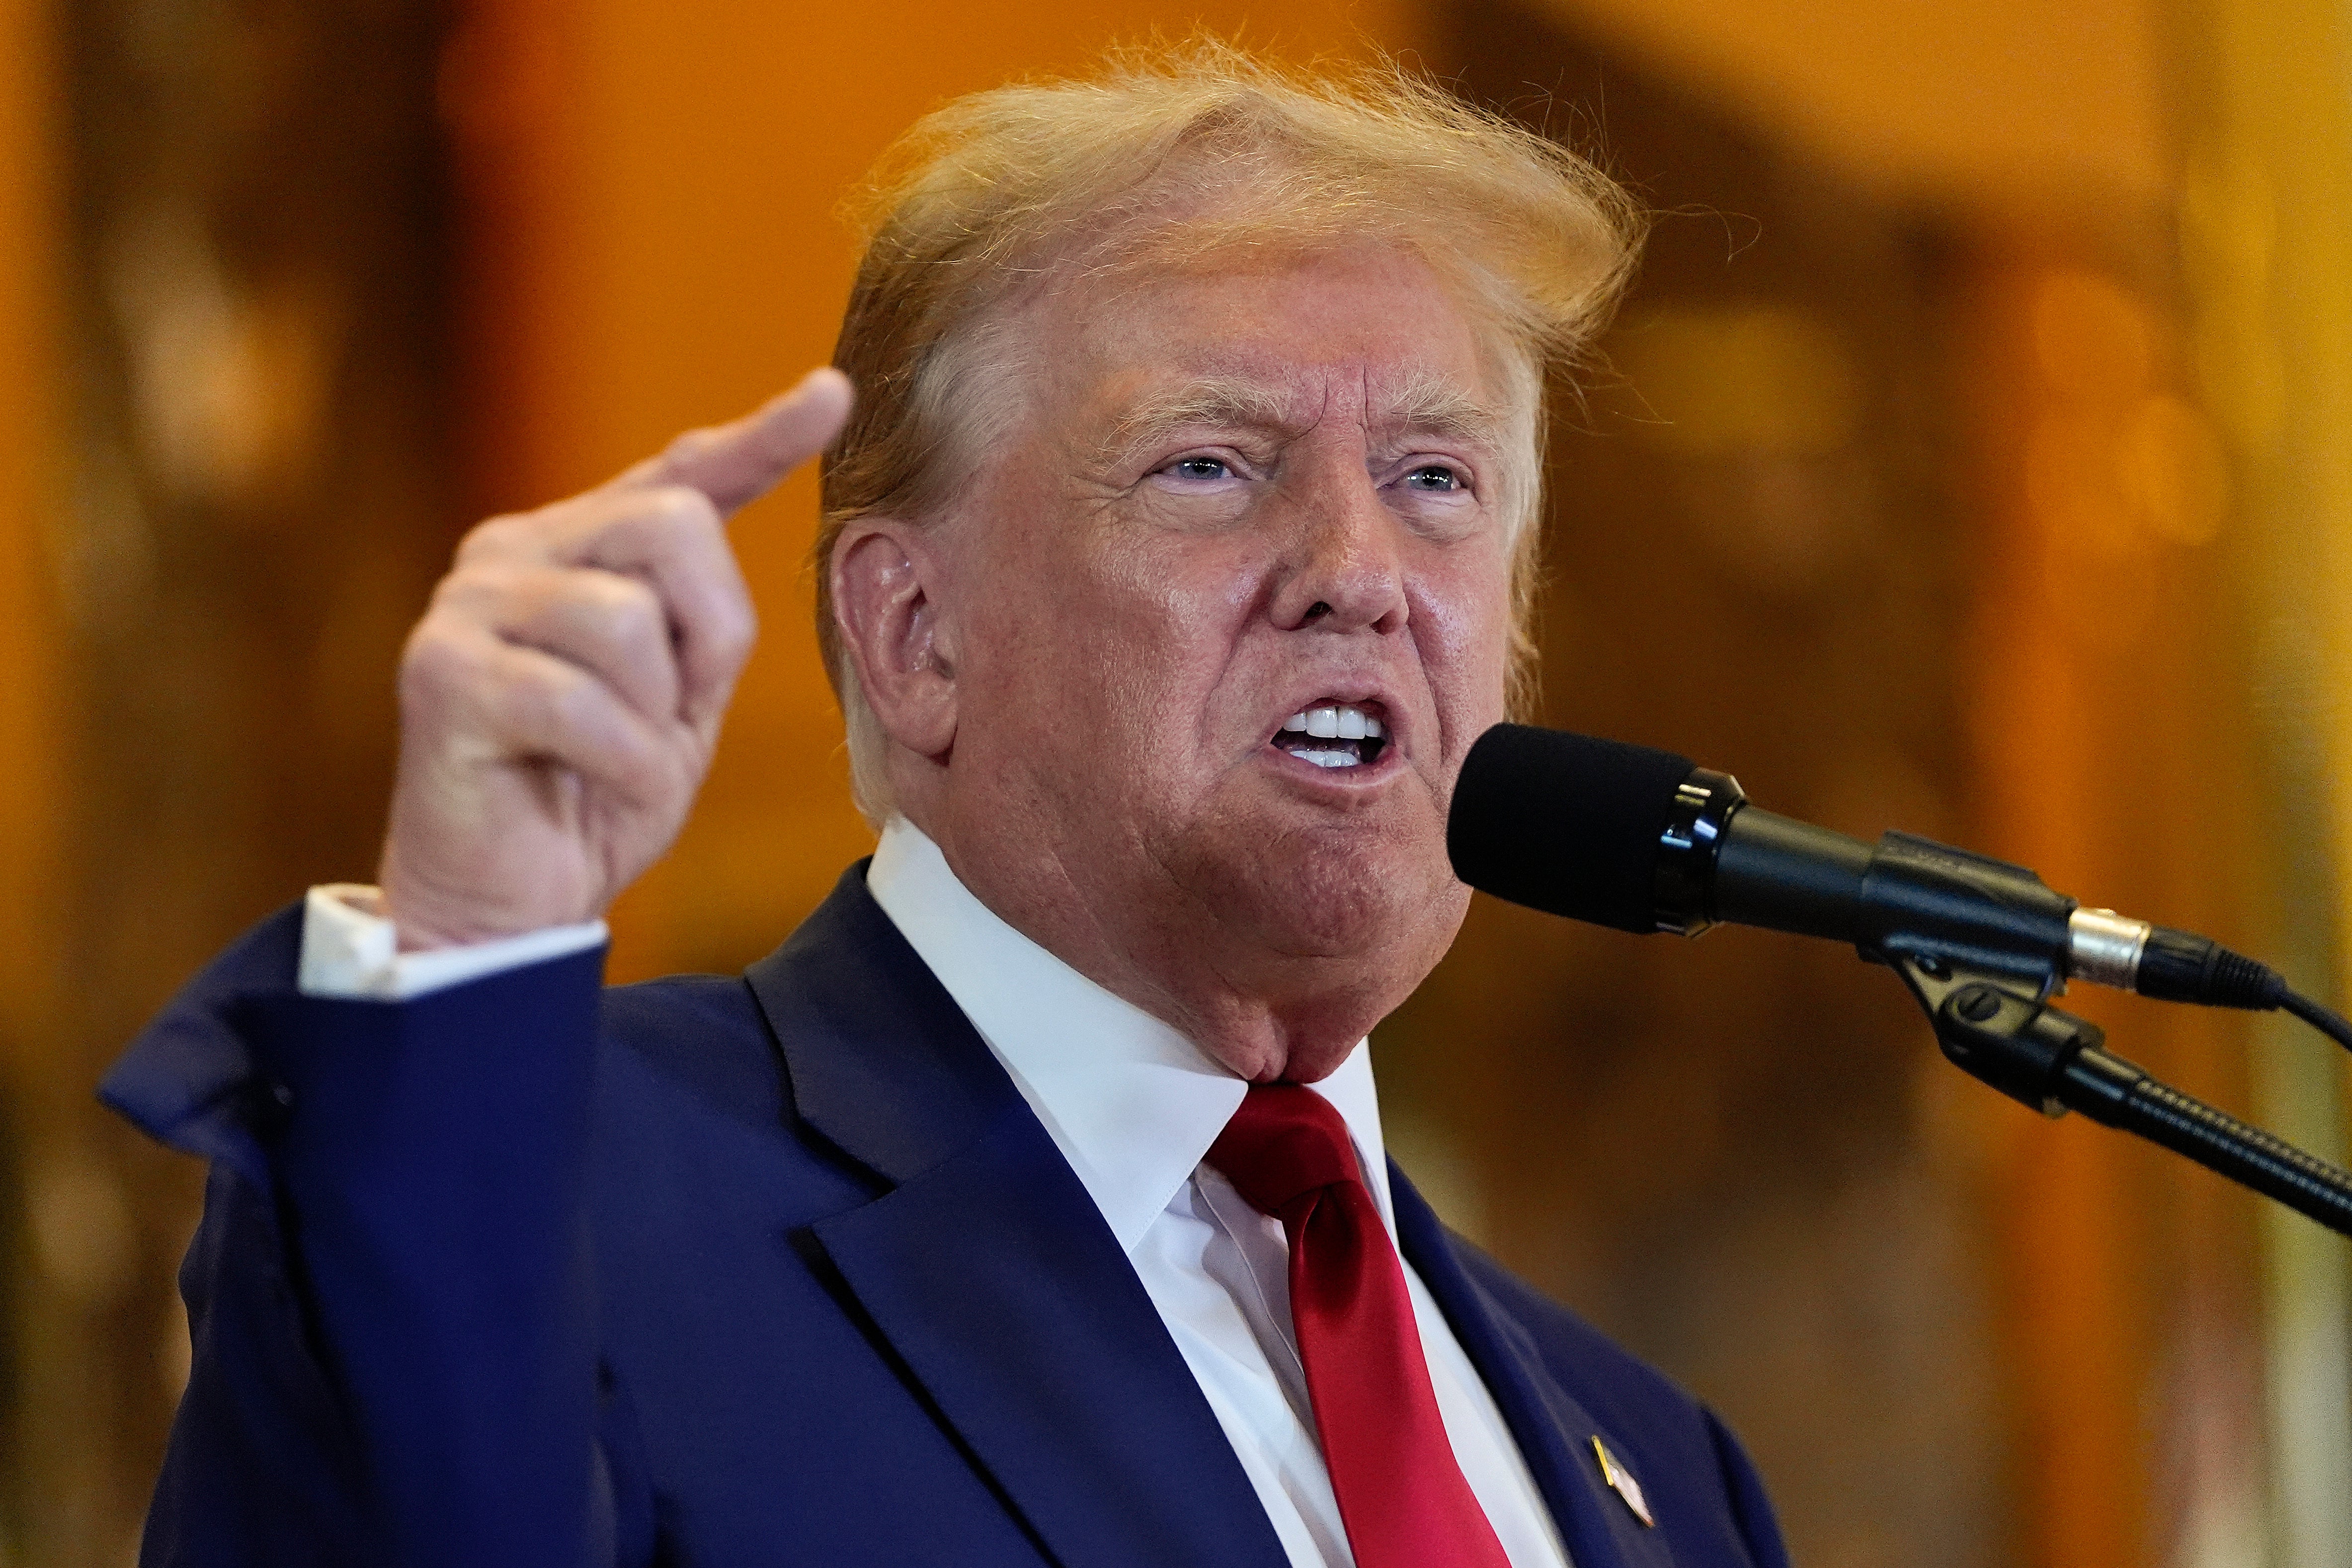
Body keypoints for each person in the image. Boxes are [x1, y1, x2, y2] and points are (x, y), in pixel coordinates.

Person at [105, 45, 1791, 1568]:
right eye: (1211, 462)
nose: (1359, 569)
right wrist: (464, 959)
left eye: (1436, 479)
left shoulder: (1660, 1466)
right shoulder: (555, 1201)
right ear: (914, 637)